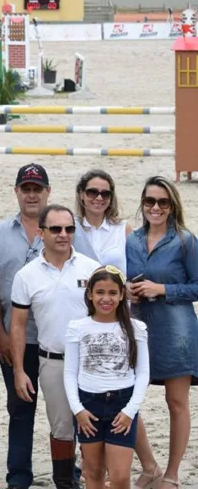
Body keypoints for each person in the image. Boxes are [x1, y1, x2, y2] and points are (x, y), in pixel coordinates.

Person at [10, 204, 100, 489]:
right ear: (41, 233)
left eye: (69, 229)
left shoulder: (92, 269)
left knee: (96, 425)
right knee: (61, 428)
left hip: (92, 362)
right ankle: (64, 482)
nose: (63, 235)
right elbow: (19, 326)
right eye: (56, 229)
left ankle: (96, 479)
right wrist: (18, 371)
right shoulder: (26, 275)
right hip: (53, 361)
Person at [0, 163, 51, 489]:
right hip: (15, 339)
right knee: (20, 410)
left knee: (63, 413)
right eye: (27, 188)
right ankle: (19, 478)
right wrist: (1, 335)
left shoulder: (63, 227)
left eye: (38, 188)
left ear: (47, 192)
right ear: (17, 192)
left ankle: (70, 474)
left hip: (55, 340)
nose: (32, 194)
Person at [126, 175, 198, 489]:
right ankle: (149, 466)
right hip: (139, 326)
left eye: (163, 202)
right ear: (142, 203)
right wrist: (127, 290)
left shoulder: (185, 240)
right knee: (128, 400)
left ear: (172, 206)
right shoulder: (131, 240)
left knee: (176, 402)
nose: (155, 207)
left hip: (177, 329)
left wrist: (162, 288)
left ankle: (171, 474)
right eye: (149, 201)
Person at [64, 265, 150, 489]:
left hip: (122, 405)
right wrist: (78, 410)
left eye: (112, 293)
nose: (106, 298)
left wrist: (130, 411)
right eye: (100, 292)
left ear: (122, 295)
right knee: (93, 472)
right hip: (88, 406)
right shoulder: (77, 327)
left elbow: (142, 373)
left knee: (120, 477)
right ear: (90, 294)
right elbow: (70, 373)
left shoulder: (136, 328)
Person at [73, 169, 132, 274]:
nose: (99, 198)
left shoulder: (123, 229)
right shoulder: (71, 227)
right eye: (92, 192)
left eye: (105, 194)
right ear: (81, 194)